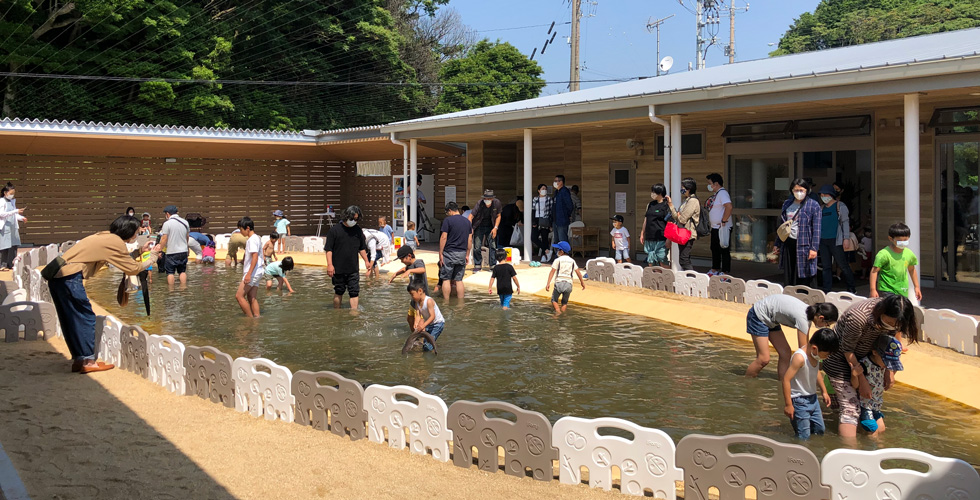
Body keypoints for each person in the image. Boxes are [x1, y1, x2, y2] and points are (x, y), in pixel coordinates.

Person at [49, 215, 159, 373]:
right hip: (70, 278)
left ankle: (79, 360)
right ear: (129, 231)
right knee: (85, 317)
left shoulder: (104, 236)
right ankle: (88, 361)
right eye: (136, 232)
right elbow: (132, 269)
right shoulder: (115, 243)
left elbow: (116, 258)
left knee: (70, 320)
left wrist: (140, 251)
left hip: (57, 276)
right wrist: (153, 256)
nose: (137, 235)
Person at [820, 295, 918, 442]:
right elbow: (847, 350)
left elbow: (890, 346)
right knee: (850, 410)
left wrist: (889, 371)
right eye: (890, 322)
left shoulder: (895, 321)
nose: (893, 327)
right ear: (882, 312)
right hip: (841, 360)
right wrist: (862, 380)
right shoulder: (859, 317)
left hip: (867, 362)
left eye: (897, 325)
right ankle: (849, 451)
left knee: (866, 409)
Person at [745, 296, 838, 380]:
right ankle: (747, 383)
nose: (826, 327)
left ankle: (783, 383)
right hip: (758, 315)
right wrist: (818, 363)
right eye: (827, 324)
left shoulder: (808, 313)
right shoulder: (804, 319)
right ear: (821, 318)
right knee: (763, 359)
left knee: (785, 353)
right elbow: (803, 349)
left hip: (772, 318)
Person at [781, 328, 839, 440]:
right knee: (803, 436)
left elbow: (816, 372)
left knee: (820, 430)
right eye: (826, 355)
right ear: (814, 348)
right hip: (799, 400)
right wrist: (788, 404)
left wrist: (824, 392)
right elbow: (786, 380)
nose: (826, 358)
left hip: (813, 399)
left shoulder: (815, 356)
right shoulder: (800, 358)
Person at [775, 179, 821, 287]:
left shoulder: (813, 205)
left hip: (805, 243)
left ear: (807, 190)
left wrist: (814, 248)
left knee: (805, 272)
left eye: (801, 190)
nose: (799, 193)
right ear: (792, 190)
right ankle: (790, 293)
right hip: (788, 241)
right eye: (796, 190)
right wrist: (777, 243)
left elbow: (817, 229)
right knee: (790, 271)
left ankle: (807, 296)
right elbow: (783, 225)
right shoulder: (787, 204)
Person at [324, 205, 372, 309]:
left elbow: (362, 248)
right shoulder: (334, 231)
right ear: (346, 216)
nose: (354, 221)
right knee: (339, 291)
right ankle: (337, 312)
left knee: (354, 292)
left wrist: (366, 261)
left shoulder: (358, 230)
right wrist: (330, 265)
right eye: (352, 219)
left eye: (356, 219)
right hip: (338, 268)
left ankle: (354, 314)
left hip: (353, 268)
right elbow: (329, 249)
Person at [855, 334, 904, 433]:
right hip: (864, 405)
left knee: (881, 429)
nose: (888, 366)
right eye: (886, 362)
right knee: (872, 430)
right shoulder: (864, 365)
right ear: (874, 352)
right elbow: (855, 384)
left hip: (876, 405)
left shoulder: (883, 365)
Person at [816, 185, 857, 293]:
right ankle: (826, 289)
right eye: (821, 195)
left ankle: (851, 288)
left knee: (843, 265)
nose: (823, 197)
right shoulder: (821, 208)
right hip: (823, 240)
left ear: (831, 195)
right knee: (826, 267)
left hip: (836, 240)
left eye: (825, 194)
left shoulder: (840, 206)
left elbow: (845, 222)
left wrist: (846, 238)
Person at [870, 222, 922, 306]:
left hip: (903, 289)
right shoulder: (883, 254)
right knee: (891, 310)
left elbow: (912, 270)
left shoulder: (909, 254)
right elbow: (874, 271)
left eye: (905, 240)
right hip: (887, 289)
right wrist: (873, 289)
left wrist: (916, 287)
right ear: (891, 239)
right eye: (899, 240)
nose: (902, 242)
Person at [438, 202, 472, 300]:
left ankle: (446, 302)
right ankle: (461, 303)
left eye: (446, 212)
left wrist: (440, 252)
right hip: (462, 253)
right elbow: (470, 240)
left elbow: (444, 237)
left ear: (450, 210)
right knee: (459, 280)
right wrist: (467, 254)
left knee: (446, 279)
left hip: (449, 252)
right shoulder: (467, 222)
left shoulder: (447, 221)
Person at [666, 178, 700, 271]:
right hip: (683, 233)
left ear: (688, 188)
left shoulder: (693, 201)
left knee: (684, 259)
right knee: (683, 258)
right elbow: (676, 216)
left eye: (683, 187)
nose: (682, 189)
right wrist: (670, 204)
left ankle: (691, 278)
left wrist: (679, 215)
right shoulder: (686, 200)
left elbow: (682, 219)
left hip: (688, 233)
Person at [545, 241, 586, 315]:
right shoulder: (572, 261)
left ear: (562, 251)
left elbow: (552, 272)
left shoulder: (557, 260)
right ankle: (563, 314)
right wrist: (582, 283)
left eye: (558, 250)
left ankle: (558, 312)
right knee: (564, 303)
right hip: (568, 284)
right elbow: (578, 273)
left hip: (559, 282)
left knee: (554, 300)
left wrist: (548, 283)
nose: (557, 251)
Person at [234, 216, 264, 317]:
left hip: (253, 272)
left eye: (241, 230)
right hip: (259, 271)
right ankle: (257, 318)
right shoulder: (257, 238)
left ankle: (249, 319)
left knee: (239, 296)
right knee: (252, 297)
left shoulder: (252, 240)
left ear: (247, 228)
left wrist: (249, 274)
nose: (240, 232)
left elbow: (255, 257)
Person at [705, 173, 733, 276]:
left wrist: (724, 220)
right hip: (715, 227)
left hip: (722, 227)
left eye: (710, 183)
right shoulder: (717, 194)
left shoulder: (722, 193)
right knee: (715, 248)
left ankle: (725, 271)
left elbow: (728, 207)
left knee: (724, 249)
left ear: (716, 184)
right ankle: (715, 268)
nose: (709, 186)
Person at [468, 189, 502, 272]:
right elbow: (471, 216)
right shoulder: (479, 204)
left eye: (489, 199)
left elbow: (498, 216)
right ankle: (477, 264)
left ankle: (492, 265)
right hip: (479, 226)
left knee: (492, 245)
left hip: (491, 226)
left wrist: (495, 228)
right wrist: (470, 228)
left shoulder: (497, 203)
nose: (487, 201)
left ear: (492, 199)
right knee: (477, 246)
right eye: (486, 199)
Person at [406, 281, 444, 352]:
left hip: (438, 324)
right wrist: (416, 324)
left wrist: (423, 325)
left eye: (412, 294)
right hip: (430, 324)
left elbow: (432, 316)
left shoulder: (428, 301)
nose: (411, 297)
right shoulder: (417, 303)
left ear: (420, 291)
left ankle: (434, 351)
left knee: (427, 347)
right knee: (425, 343)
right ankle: (433, 347)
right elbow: (418, 315)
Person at [158, 205, 190, 288]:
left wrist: (160, 250)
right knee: (182, 271)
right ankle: (183, 289)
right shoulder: (185, 222)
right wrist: (187, 248)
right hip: (183, 251)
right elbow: (187, 237)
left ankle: (171, 291)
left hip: (172, 252)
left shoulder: (167, 223)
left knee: (170, 272)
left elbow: (164, 238)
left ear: (168, 214)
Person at [640, 183, 669, 267]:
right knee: (651, 260)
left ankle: (668, 278)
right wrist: (642, 233)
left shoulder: (666, 205)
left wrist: (668, 239)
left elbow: (669, 222)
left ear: (660, 193)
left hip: (661, 237)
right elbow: (646, 219)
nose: (652, 194)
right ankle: (653, 278)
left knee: (662, 259)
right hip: (650, 236)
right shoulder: (650, 204)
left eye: (654, 192)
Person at [0, 182, 26, 270]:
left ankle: (11, 263)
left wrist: (22, 218)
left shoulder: (12, 202)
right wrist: (16, 211)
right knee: (5, 246)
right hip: (5, 226)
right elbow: (2, 214)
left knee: (13, 245)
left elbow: (14, 215)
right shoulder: (2, 201)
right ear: (5, 193)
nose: (12, 195)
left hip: (13, 226)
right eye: (10, 193)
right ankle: (3, 265)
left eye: (13, 194)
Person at [531, 184, 554, 261]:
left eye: (545, 188)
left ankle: (544, 256)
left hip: (545, 219)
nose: (544, 190)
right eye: (542, 188)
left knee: (545, 238)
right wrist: (533, 221)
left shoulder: (549, 199)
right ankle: (546, 251)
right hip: (537, 220)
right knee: (534, 237)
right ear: (538, 190)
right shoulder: (535, 199)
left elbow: (551, 211)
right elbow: (533, 210)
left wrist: (551, 223)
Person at [552, 175, 574, 245]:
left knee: (562, 239)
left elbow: (570, 205)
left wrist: (565, 215)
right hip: (555, 220)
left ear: (561, 182)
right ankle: (558, 254)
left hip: (562, 220)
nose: (555, 183)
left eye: (556, 181)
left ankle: (565, 254)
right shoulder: (556, 192)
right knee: (556, 240)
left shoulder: (564, 191)